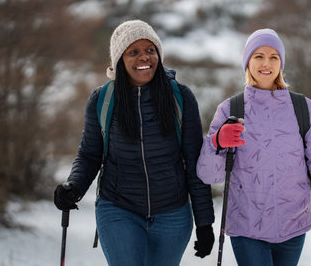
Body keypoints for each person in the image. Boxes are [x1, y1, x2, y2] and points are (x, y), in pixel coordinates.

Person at [196, 28, 311, 266]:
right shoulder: (230, 110)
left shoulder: (303, 108)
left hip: (292, 226)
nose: (266, 63)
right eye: (258, 56)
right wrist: (217, 142)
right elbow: (208, 174)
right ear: (248, 62)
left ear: (281, 63)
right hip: (247, 228)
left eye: (274, 56)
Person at [53, 20, 215, 266]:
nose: (144, 58)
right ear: (120, 58)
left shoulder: (180, 96)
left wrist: (205, 223)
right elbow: (89, 155)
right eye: (133, 51)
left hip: (172, 213)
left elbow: (194, 160)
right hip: (119, 209)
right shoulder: (103, 99)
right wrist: (73, 187)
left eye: (150, 50)